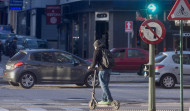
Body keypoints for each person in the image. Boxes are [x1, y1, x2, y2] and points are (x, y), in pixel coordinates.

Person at [88, 40, 113, 105]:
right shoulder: (106, 50)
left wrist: (90, 67)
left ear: (95, 46)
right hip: (109, 69)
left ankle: (110, 99)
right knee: (106, 85)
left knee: (103, 85)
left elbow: (94, 62)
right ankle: (104, 100)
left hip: (103, 70)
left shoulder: (97, 51)